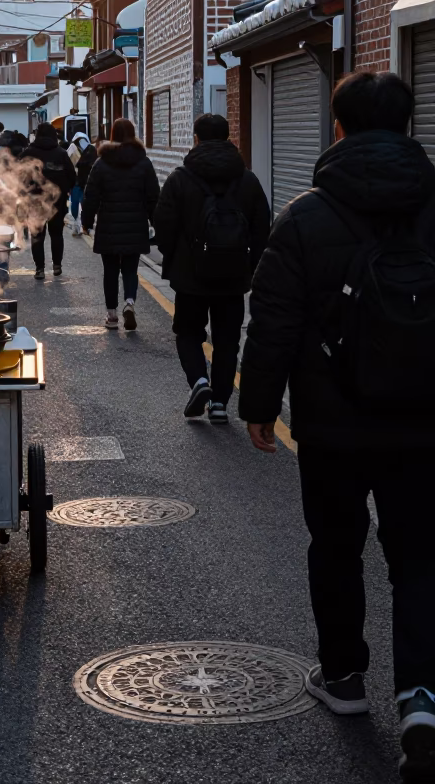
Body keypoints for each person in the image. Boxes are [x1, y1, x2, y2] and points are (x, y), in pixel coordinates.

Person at [240, 72, 435, 775]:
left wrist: (258, 406)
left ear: (339, 127)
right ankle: (422, 694)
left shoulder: (306, 216)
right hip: (424, 421)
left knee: (337, 544)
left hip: (332, 420)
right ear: (409, 125)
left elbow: (273, 324)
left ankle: (345, 676)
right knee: (421, 555)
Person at [154, 112, 270, 424]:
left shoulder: (181, 178)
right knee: (227, 340)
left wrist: (174, 255)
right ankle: (220, 403)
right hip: (233, 275)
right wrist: (252, 264)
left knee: (188, 332)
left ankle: (199, 382)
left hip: (190, 275)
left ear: (196, 138)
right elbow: (262, 226)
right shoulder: (247, 179)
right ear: (228, 136)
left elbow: (163, 223)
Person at [81, 118, 159, 329]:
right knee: (131, 270)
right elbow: (153, 197)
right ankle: (130, 303)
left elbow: (91, 197)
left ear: (113, 135)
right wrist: (157, 224)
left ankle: (112, 315)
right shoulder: (144, 162)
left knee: (111, 271)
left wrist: (86, 222)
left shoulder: (102, 162)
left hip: (109, 226)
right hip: (136, 225)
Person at [21, 121, 76, 279]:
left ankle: (39, 269)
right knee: (57, 234)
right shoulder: (61, 153)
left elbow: (18, 177)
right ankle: (57, 265)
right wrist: (64, 190)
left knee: (37, 236)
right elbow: (72, 176)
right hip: (56, 201)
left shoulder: (28, 153)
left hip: (34, 201)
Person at [66, 132, 96, 235]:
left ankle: (85, 225)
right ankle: (78, 224)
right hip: (77, 181)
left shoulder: (91, 150)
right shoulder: (72, 148)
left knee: (85, 204)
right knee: (75, 204)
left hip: (86, 181)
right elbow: (68, 165)